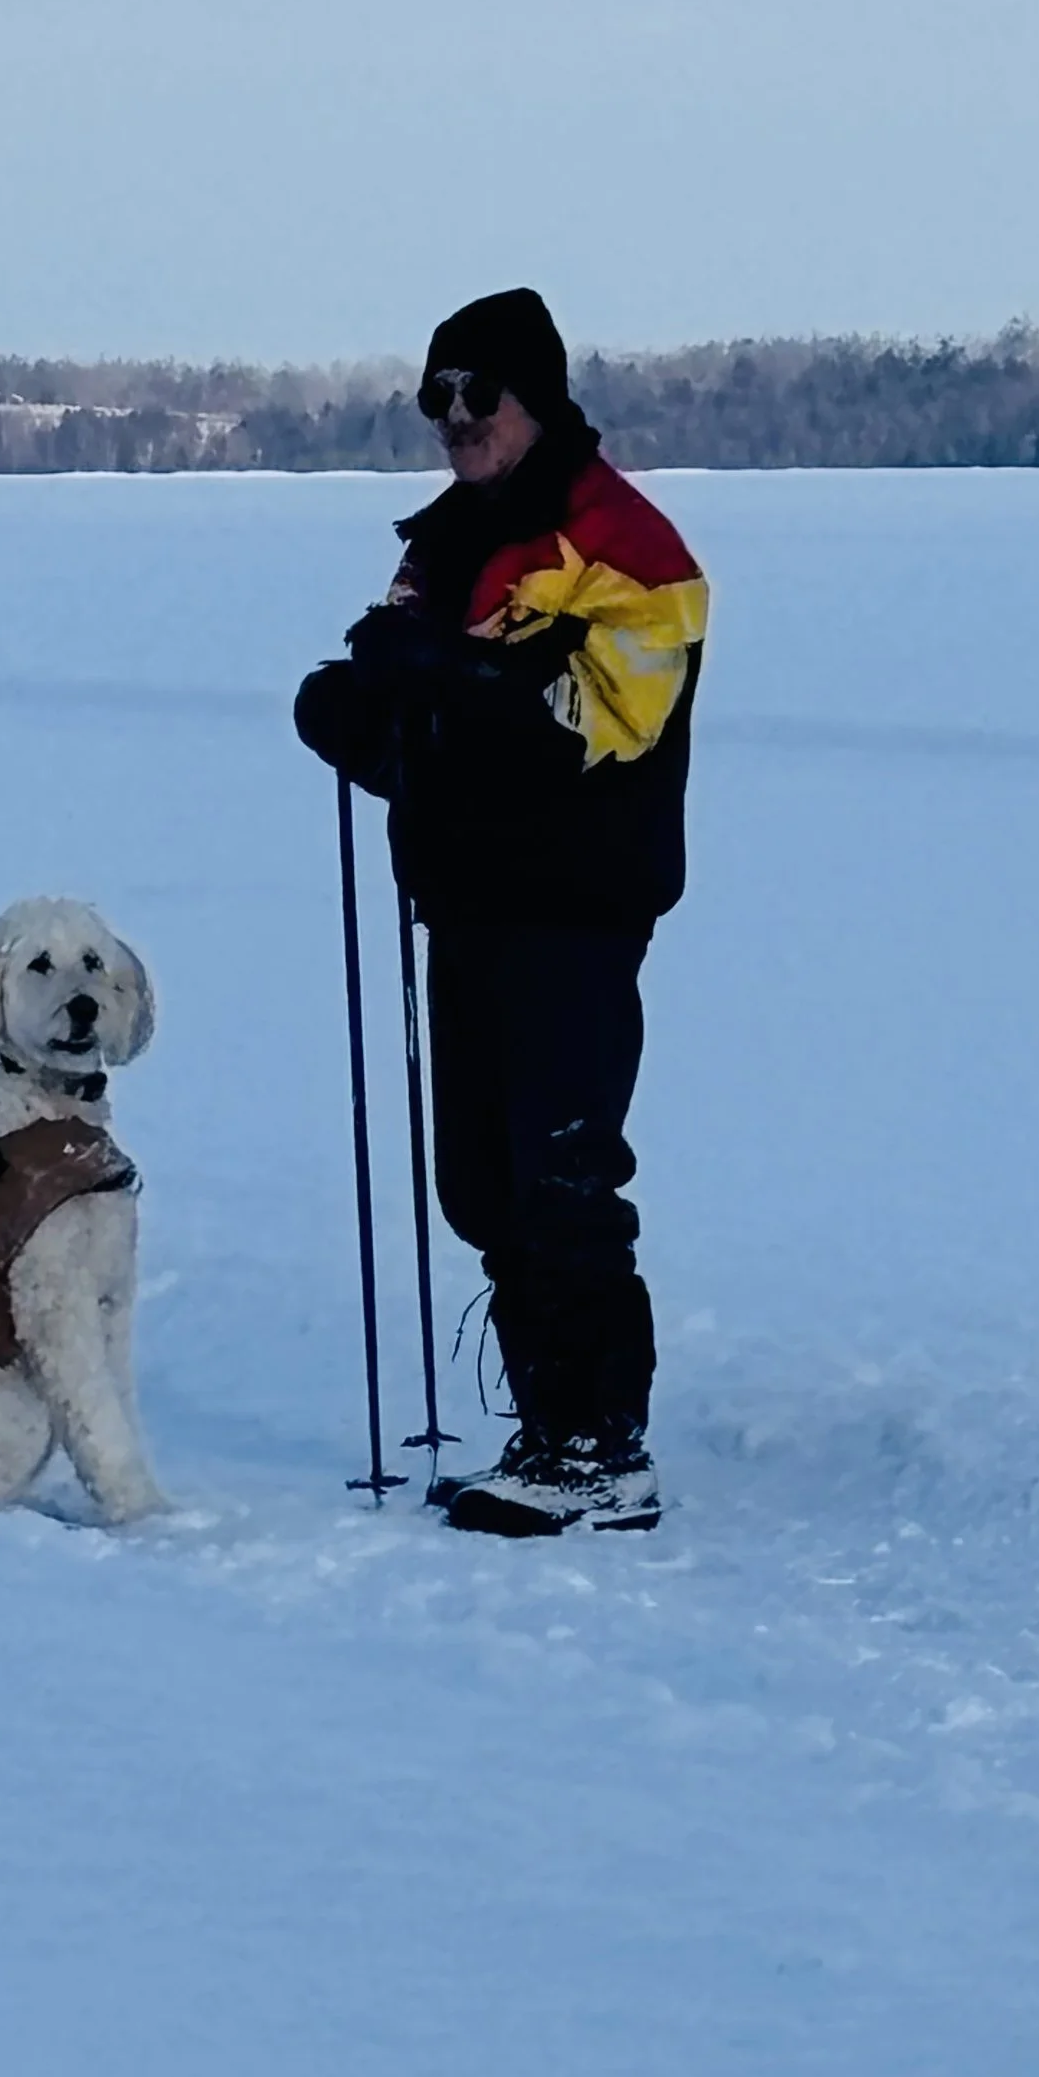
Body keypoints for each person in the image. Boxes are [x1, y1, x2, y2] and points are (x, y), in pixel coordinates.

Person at [293, 287, 707, 1535]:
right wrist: (356, 715)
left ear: (541, 399)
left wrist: (448, 690)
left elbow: (588, 731)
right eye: (438, 399)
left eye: (481, 396)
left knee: (562, 1174)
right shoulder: (448, 542)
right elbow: (407, 710)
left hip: (574, 904)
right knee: (478, 1181)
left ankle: (602, 1449)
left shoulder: (628, 547)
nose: (457, 420)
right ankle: (546, 1426)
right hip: (466, 901)